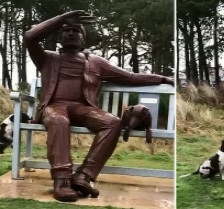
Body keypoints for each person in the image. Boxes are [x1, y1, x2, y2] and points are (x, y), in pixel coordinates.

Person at [24, 10, 174, 202]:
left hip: (82, 108)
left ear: (83, 39)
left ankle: (84, 176)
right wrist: (61, 18)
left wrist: (162, 78)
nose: (70, 33)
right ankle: (61, 181)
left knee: (112, 122)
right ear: (60, 37)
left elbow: (130, 77)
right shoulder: (47, 58)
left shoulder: (95, 62)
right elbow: (30, 37)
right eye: (66, 30)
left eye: (76, 31)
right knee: (59, 120)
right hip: (54, 106)